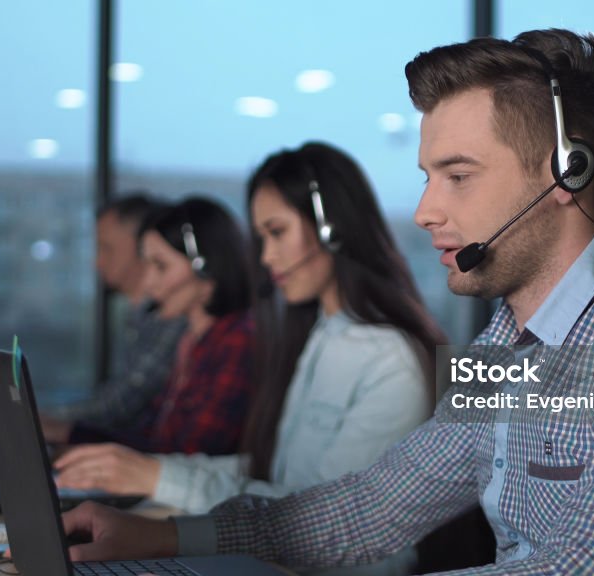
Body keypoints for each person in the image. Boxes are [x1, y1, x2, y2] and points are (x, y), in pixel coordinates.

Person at [58, 30, 594, 574]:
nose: (424, 211)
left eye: (457, 176)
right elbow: (371, 509)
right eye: (425, 176)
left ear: (565, 174)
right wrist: (157, 539)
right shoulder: (503, 350)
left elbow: (593, 567)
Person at [55, 142, 445, 576]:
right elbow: (271, 478)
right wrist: (152, 471)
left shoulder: (390, 361)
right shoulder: (319, 336)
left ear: (331, 227)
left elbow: (329, 519)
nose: (265, 257)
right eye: (261, 238)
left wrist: (157, 481)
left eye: (277, 233)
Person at [63, 197, 255, 456]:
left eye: (160, 266)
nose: (149, 283)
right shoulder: (191, 341)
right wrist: (74, 437)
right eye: (147, 264)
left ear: (206, 267)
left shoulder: (237, 342)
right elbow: (151, 436)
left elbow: (193, 453)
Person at [41, 194, 185, 441]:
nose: (97, 262)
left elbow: (121, 405)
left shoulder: (174, 320)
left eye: (106, 248)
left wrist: (44, 423)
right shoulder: (139, 317)